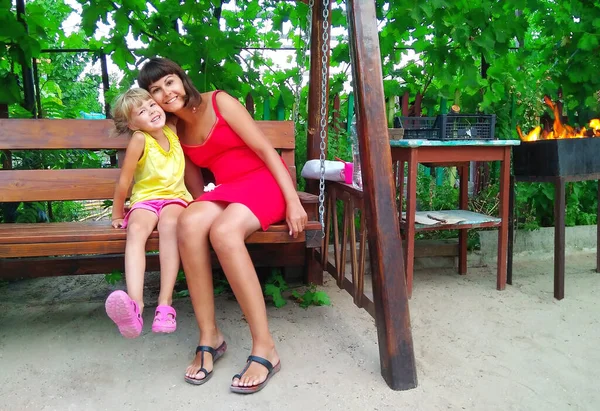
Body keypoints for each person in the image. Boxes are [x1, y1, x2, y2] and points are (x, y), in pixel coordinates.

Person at [138, 58, 308, 393]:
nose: (165, 93)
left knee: (224, 232)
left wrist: (292, 199)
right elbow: (196, 186)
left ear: (182, 80)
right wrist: (197, 209)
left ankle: (265, 348)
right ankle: (210, 337)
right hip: (230, 190)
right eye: (155, 90)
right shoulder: (174, 129)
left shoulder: (219, 101)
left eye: (169, 82)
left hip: (264, 183)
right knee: (188, 222)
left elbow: (265, 150)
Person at [105, 88, 192, 339]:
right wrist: (117, 213)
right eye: (141, 112)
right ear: (132, 124)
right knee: (136, 230)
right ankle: (135, 306)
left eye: (152, 105)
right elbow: (125, 180)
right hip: (146, 200)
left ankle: (165, 304)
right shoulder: (140, 140)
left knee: (170, 227)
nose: (152, 111)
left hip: (176, 199)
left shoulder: (173, 129)